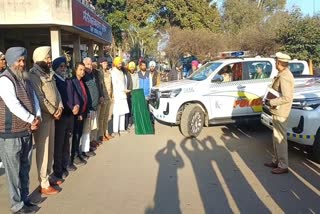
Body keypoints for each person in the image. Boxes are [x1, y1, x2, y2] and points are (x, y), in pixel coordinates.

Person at [0, 47, 41, 214]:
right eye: (19, 60)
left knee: (25, 169)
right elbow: (14, 105)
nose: (22, 63)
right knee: (13, 173)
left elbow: (34, 99)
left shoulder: (25, 78)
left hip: (26, 132)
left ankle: (25, 199)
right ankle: (17, 206)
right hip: (10, 134)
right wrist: (31, 119)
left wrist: (37, 117)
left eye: (24, 60)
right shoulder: (5, 80)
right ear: (10, 62)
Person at [29, 46, 63, 195]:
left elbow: (56, 93)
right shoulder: (33, 74)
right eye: (47, 58)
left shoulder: (48, 72)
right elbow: (40, 97)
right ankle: (43, 183)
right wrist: (54, 110)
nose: (50, 60)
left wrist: (60, 107)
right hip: (44, 117)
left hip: (53, 116)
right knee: (43, 150)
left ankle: (48, 176)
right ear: (40, 58)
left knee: (51, 149)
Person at [264, 52, 294, 174]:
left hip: (281, 111)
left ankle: (283, 165)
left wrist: (271, 102)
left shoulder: (284, 76)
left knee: (280, 138)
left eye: (276, 61)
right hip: (278, 110)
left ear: (279, 63)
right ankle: (276, 160)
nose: (275, 63)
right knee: (276, 137)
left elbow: (287, 97)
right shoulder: (282, 73)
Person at [52, 56, 80, 180]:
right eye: (61, 66)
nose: (63, 68)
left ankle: (66, 163)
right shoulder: (54, 81)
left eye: (65, 66)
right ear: (56, 68)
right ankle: (58, 170)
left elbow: (74, 95)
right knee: (59, 144)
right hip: (61, 117)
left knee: (67, 141)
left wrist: (77, 105)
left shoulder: (68, 80)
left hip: (70, 116)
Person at [70, 63, 90, 168]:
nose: (82, 72)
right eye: (80, 70)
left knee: (79, 135)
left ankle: (78, 153)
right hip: (77, 114)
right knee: (75, 136)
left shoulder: (82, 81)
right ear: (75, 70)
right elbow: (74, 98)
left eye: (83, 70)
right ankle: (73, 156)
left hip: (83, 113)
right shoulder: (72, 81)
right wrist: (79, 113)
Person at [81, 57, 101, 158]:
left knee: (91, 128)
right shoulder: (84, 77)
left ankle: (89, 145)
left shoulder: (92, 75)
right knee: (86, 130)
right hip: (88, 108)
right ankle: (84, 149)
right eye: (87, 64)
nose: (89, 66)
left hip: (94, 106)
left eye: (90, 64)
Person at [111, 57, 129, 135]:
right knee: (117, 113)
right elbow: (115, 84)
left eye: (121, 63)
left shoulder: (121, 72)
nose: (120, 65)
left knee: (123, 112)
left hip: (123, 95)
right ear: (115, 63)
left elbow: (124, 82)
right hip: (118, 95)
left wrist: (125, 90)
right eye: (119, 63)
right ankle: (115, 130)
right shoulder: (113, 72)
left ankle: (121, 129)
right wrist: (123, 90)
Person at [98, 57, 114, 141]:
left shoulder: (108, 72)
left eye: (106, 63)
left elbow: (111, 85)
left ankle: (106, 133)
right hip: (103, 97)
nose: (106, 64)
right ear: (100, 64)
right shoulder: (99, 73)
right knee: (101, 117)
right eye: (104, 63)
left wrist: (112, 95)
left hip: (109, 97)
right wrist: (101, 97)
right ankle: (101, 134)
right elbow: (100, 86)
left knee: (107, 117)